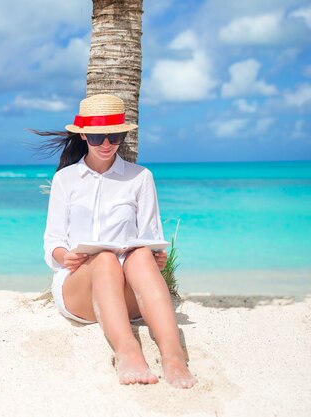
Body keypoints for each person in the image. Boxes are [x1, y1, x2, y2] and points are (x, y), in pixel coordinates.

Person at [39, 94, 197, 388]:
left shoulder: (140, 177)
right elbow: (53, 242)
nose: (107, 144)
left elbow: (151, 236)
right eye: (98, 136)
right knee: (104, 259)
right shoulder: (66, 179)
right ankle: (128, 352)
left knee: (138, 256)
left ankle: (173, 356)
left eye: (114, 135)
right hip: (80, 287)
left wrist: (156, 257)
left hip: (129, 291)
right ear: (84, 135)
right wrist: (65, 257)